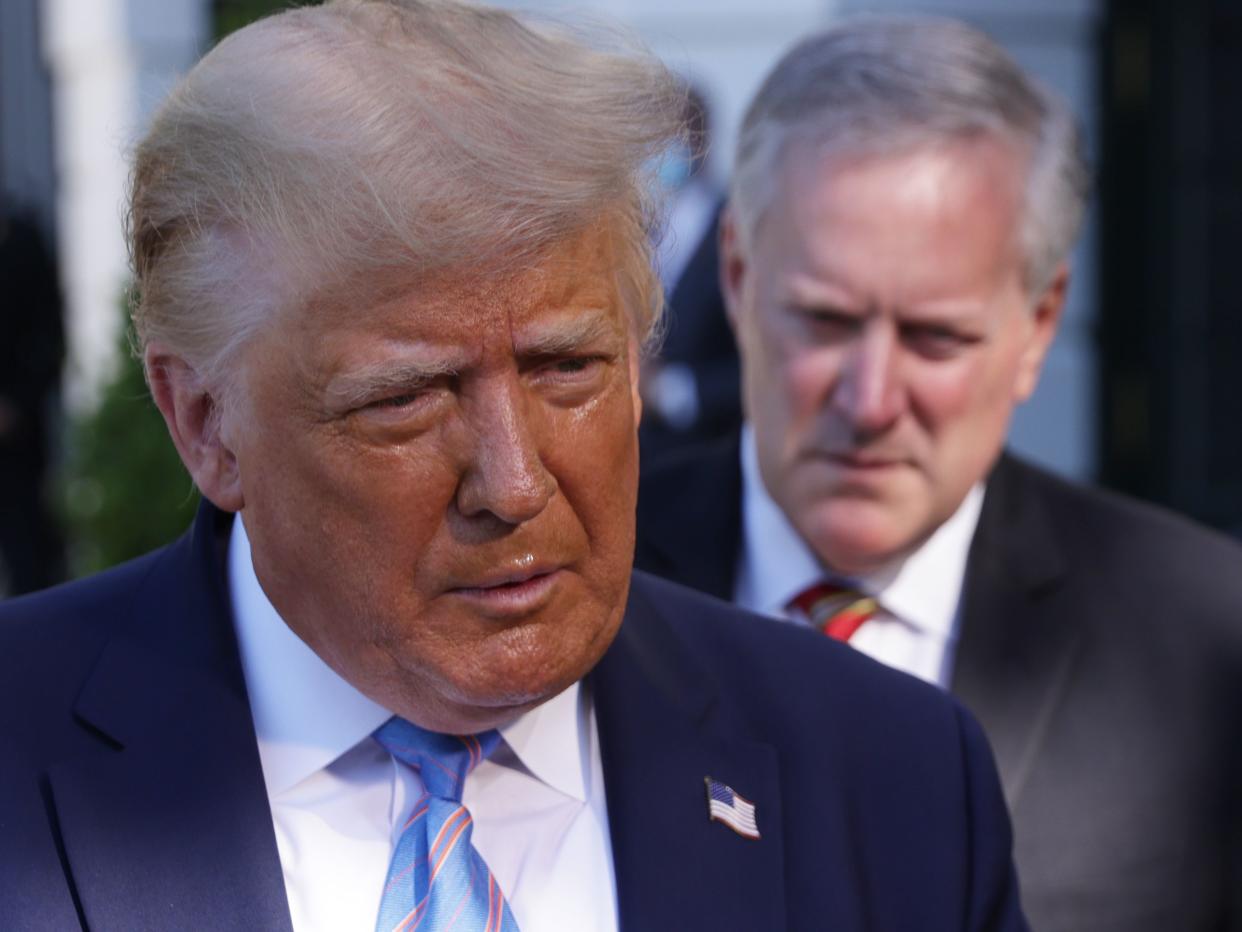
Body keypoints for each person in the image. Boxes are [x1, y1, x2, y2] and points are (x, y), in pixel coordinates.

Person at [0, 2, 1027, 930]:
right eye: (407, 398)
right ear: (203, 421)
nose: (515, 481)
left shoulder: (887, 779)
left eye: (568, 366)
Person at [635, 16, 1242, 932]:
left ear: (1039, 324)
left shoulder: (1205, 643)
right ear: (736, 277)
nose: (872, 398)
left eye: (936, 337)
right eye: (826, 320)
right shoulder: (576, 585)